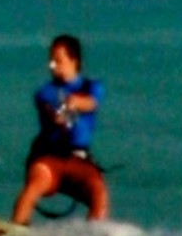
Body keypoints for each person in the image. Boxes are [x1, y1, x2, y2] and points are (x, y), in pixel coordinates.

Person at [12, 34, 109, 224]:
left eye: (58, 60)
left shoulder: (93, 87)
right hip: (51, 159)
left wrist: (75, 103)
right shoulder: (44, 92)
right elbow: (50, 112)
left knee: (99, 192)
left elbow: (91, 103)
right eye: (51, 60)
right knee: (33, 187)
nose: (52, 65)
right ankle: (17, 227)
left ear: (74, 61)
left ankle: (94, 235)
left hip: (78, 160)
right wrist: (60, 116)